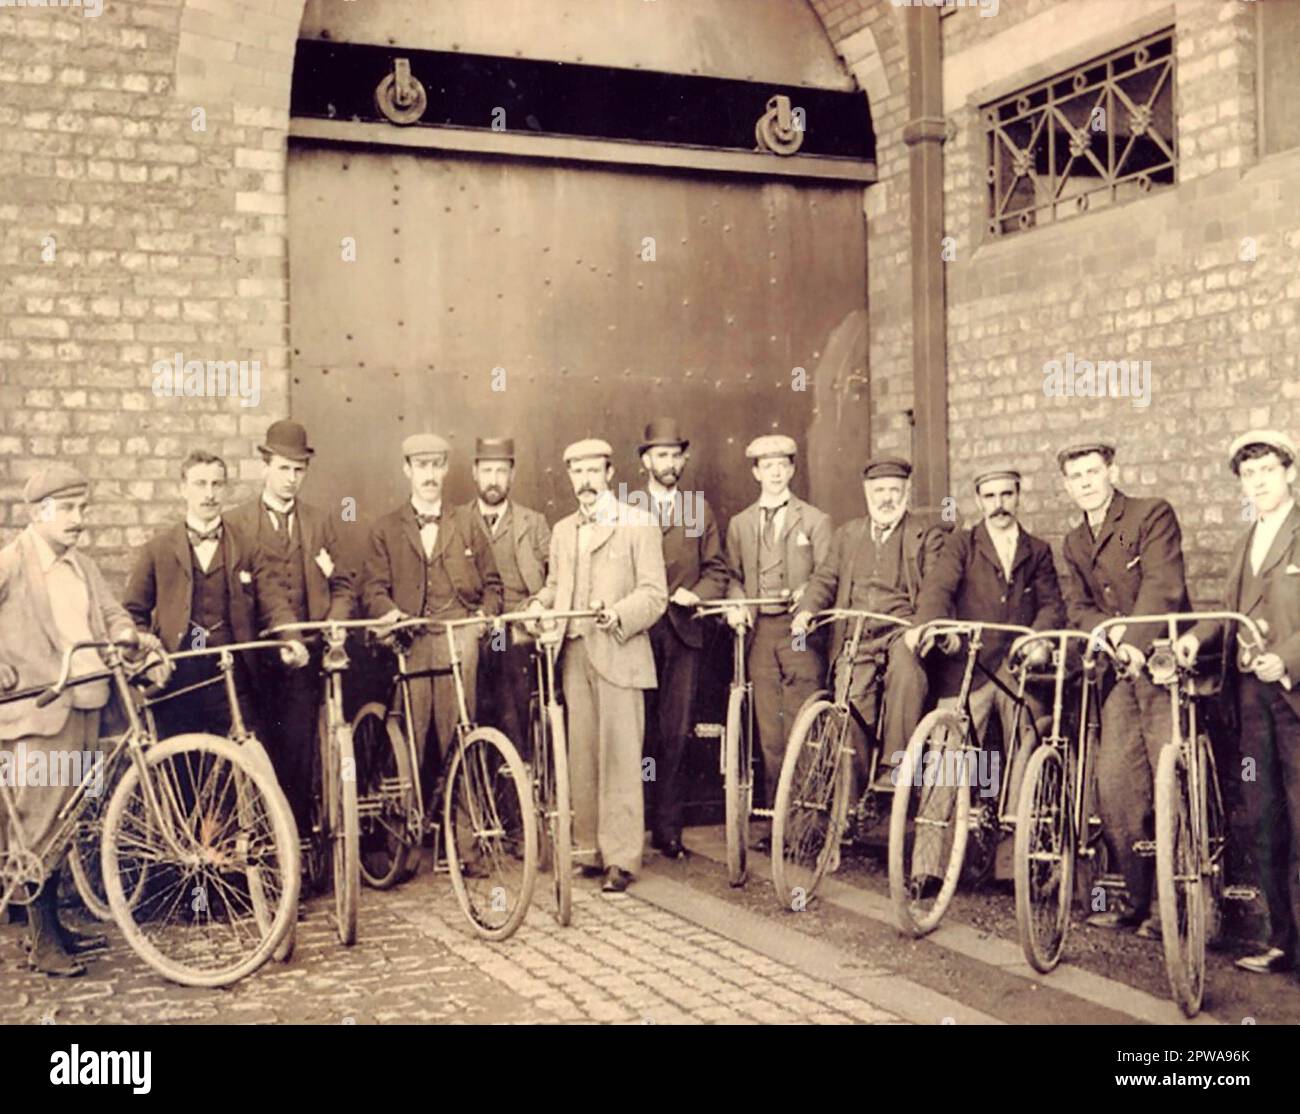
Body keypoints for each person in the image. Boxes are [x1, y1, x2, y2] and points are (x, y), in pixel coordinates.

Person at [0, 464, 162, 975]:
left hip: (91, 702)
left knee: (70, 818)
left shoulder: (82, 566)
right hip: (41, 712)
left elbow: (112, 614)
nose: (78, 519)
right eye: (68, 509)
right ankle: (41, 940)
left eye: (82, 508)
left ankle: (56, 930)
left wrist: (128, 636)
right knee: (37, 824)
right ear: (38, 512)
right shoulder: (12, 563)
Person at [1176, 430, 1300, 980]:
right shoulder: (1246, 539)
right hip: (1252, 705)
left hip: (1294, 700)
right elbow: (1227, 611)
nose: (1259, 482)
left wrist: (1289, 658)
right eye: (1249, 475)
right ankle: (1282, 941)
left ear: (1289, 473)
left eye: (1268, 471)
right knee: (1264, 818)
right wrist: (1193, 639)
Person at [1057, 441, 1189, 939]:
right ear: (1068, 485)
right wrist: (1104, 631)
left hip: (1160, 665)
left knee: (1168, 782)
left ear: (1113, 471)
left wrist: (1133, 639)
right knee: (1115, 786)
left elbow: (1163, 586)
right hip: (1119, 672)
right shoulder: (1073, 541)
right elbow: (1077, 605)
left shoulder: (1150, 515)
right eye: (1076, 476)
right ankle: (1135, 901)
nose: (1086, 482)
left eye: (1094, 472)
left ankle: (1171, 907)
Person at [526, 439, 667, 892]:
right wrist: (537, 604)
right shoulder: (564, 530)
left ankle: (622, 860)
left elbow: (654, 594)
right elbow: (554, 585)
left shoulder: (638, 523)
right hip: (574, 652)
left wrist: (619, 614)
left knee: (623, 759)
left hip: (621, 654)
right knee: (581, 755)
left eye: (592, 471)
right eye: (576, 472)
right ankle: (589, 848)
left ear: (609, 473)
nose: (584, 481)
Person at [362, 433, 502, 813]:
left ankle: (466, 839)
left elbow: (493, 585)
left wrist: (482, 621)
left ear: (445, 470)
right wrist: (388, 612)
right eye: (420, 466)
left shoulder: (468, 523)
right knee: (409, 737)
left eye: (435, 466)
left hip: (458, 638)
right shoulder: (385, 528)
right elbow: (372, 588)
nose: (429, 474)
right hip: (411, 638)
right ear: (407, 470)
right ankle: (402, 842)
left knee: (463, 733)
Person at [225, 420, 351, 838]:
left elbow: (345, 582)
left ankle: (297, 848)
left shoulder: (320, 522)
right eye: (283, 469)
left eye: (299, 471)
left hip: (305, 659)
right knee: (258, 754)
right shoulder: (238, 524)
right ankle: (262, 851)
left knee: (298, 753)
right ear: (265, 466)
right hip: (255, 662)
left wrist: (335, 620)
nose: (291, 479)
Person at [909, 466, 1064, 802]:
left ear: (1019, 497)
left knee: (1027, 743)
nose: (999, 504)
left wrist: (1035, 637)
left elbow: (1052, 605)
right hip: (969, 665)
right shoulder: (961, 544)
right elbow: (939, 587)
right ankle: (931, 849)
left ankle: (1017, 834)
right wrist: (930, 624)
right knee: (947, 756)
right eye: (990, 496)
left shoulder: (1037, 550)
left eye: (1007, 494)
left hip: (1016, 667)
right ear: (979, 501)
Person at [794, 457, 944, 798]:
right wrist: (807, 610)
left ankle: (895, 767)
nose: (886, 498)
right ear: (867, 493)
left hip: (900, 631)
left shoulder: (926, 535)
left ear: (907, 493)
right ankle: (852, 793)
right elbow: (825, 578)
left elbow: (936, 588)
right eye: (879, 491)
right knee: (850, 696)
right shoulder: (848, 534)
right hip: (857, 634)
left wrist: (919, 628)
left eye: (895, 490)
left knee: (906, 674)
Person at [124, 450, 298, 740]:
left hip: (232, 675)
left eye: (217, 485)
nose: (209, 494)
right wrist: (149, 652)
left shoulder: (247, 547)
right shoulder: (158, 550)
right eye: (200, 484)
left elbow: (273, 602)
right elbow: (132, 611)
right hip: (176, 676)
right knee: (181, 767)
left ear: (225, 489)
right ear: (183, 489)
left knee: (244, 762)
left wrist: (291, 638)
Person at [725, 435, 832, 848]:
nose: (774, 472)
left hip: (799, 633)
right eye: (766, 465)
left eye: (781, 465)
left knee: (802, 725)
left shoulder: (815, 520)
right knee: (770, 732)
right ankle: (778, 823)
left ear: (791, 470)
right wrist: (739, 606)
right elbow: (731, 575)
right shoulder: (741, 524)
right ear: (755, 473)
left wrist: (805, 593)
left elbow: (828, 575)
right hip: (761, 634)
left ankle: (808, 826)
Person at [636, 419, 730, 859]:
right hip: (637, 635)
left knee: (675, 734)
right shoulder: (627, 506)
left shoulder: (698, 509)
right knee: (638, 732)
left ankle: (668, 829)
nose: (669, 463)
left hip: (684, 634)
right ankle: (632, 825)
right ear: (645, 461)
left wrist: (700, 594)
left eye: (675, 455)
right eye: (661, 456)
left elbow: (717, 569)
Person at [463, 437, 550, 757]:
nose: (494, 479)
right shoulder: (457, 521)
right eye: (487, 470)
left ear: (512, 475)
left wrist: (537, 607)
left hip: (519, 624)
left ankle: (517, 766)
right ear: (474, 472)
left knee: (509, 662)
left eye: (502, 471)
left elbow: (554, 577)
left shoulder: (534, 522)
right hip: (475, 622)